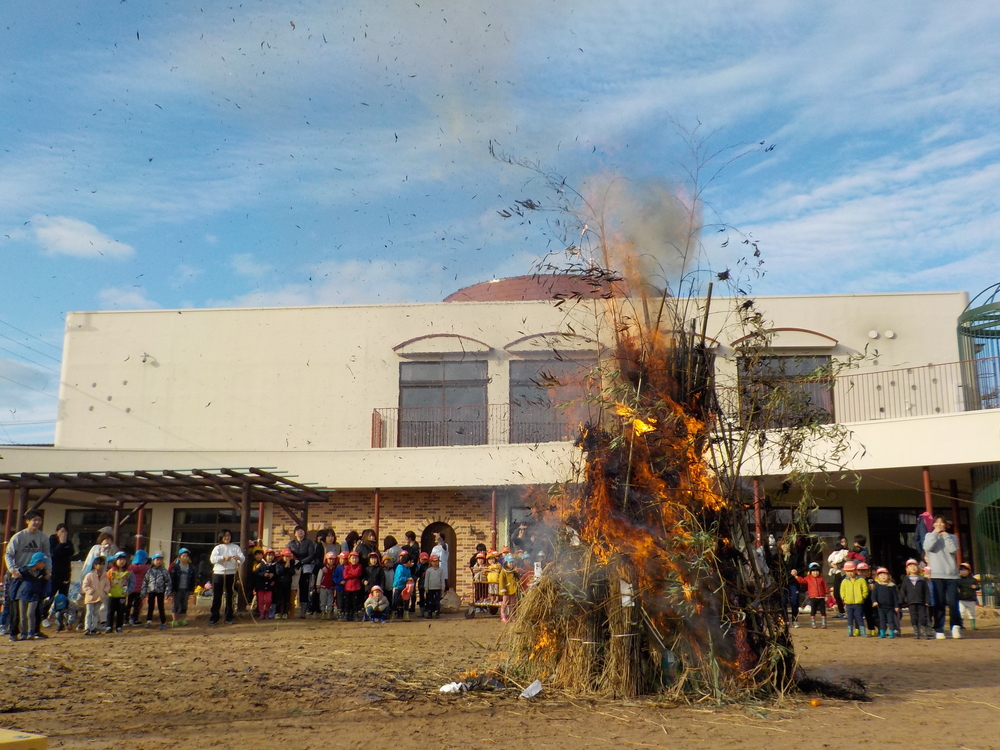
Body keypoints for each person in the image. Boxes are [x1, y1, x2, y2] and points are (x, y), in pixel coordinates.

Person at [3, 510, 51, 640]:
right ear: (27, 521)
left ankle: (35, 631)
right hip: (18, 574)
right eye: (34, 520)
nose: (36, 522)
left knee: (36, 603)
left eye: (39, 520)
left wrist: (48, 570)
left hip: (35, 574)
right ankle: (14, 632)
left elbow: (47, 554)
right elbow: (8, 554)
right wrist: (13, 570)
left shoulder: (43, 537)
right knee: (15, 604)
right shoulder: (19, 537)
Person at [923, 515, 962, 639]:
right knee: (939, 602)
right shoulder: (929, 536)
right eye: (937, 523)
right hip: (936, 574)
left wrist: (945, 536)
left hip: (952, 575)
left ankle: (955, 626)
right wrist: (935, 533)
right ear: (933, 524)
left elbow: (954, 549)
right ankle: (939, 628)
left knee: (953, 602)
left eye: (942, 523)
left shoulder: (952, 537)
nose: (940, 525)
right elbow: (928, 547)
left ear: (946, 525)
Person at [209, 529, 245, 626]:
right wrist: (222, 557)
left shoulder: (235, 547)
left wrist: (239, 558)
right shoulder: (218, 548)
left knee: (230, 595)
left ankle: (229, 616)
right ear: (221, 537)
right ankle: (214, 617)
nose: (227, 537)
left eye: (228, 535)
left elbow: (242, 558)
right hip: (218, 573)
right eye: (224, 536)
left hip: (231, 573)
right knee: (217, 596)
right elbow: (212, 559)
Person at [12, 551, 51, 640]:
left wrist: (45, 594)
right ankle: (23, 633)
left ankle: (31, 632)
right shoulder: (24, 570)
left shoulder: (42, 573)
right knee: (22, 615)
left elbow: (46, 583)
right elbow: (16, 580)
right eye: (43, 562)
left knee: (30, 614)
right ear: (37, 562)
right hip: (23, 595)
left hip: (35, 595)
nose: (44, 565)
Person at [288, 526, 318, 619]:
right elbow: (287, 553)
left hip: (306, 566)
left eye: (302, 530)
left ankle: (303, 612)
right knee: (293, 587)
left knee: (304, 588)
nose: (300, 532)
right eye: (298, 531)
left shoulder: (309, 542)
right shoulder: (291, 543)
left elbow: (311, 555)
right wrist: (294, 561)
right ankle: (290, 610)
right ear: (295, 533)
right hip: (294, 567)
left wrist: (302, 562)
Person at [898, 558, 931, 639]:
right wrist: (900, 602)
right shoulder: (906, 579)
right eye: (910, 566)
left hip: (921, 601)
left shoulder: (922, 579)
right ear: (907, 569)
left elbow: (926, 591)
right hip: (911, 601)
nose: (913, 568)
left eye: (915, 566)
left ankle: (925, 631)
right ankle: (916, 632)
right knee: (914, 617)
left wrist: (927, 600)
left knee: (923, 617)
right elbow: (903, 591)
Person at [140, 552, 171, 629]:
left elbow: (168, 581)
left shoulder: (164, 571)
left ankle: (163, 622)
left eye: (160, 560)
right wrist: (143, 592)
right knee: (150, 606)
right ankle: (149, 621)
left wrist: (168, 591)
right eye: (157, 560)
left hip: (160, 591)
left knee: (161, 607)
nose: (159, 561)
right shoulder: (149, 571)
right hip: (151, 590)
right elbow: (145, 581)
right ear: (153, 561)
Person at [792, 562, 828, 629]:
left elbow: (825, 586)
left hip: (821, 597)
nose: (815, 573)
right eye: (813, 571)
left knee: (823, 611)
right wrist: (796, 577)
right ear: (810, 572)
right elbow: (802, 581)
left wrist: (826, 595)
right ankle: (813, 623)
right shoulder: (808, 578)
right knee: (813, 611)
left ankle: (824, 623)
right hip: (813, 597)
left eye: (817, 571)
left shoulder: (821, 578)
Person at [81, 556, 110, 635]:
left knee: (96, 613)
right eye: (100, 564)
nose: (102, 566)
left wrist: (105, 592)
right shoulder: (89, 575)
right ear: (95, 565)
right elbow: (85, 585)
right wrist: (91, 591)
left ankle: (94, 628)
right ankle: (87, 628)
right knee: (89, 613)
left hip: (99, 597)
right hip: (90, 598)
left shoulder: (105, 575)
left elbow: (108, 584)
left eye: (103, 564)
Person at [106, 552, 134, 634]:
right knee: (110, 611)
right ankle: (109, 626)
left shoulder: (129, 572)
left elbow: (132, 582)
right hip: (111, 595)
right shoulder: (111, 572)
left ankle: (119, 626)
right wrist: (107, 590)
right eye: (120, 559)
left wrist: (129, 590)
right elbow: (107, 581)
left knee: (120, 611)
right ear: (115, 560)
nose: (122, 561)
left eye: (124, 559)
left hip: (122, 595)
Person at [840, 561, 868, 637]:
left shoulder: (861, 580)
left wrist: (862, 597)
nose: (850, 573)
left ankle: (862, 632)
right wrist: (844, 598)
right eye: (847, 571)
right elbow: (842, 591)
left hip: (858, 603)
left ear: (855, 570)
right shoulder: (844, 581)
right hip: (849, 603)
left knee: (859, 617)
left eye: (851, 571)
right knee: (850, 618)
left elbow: (865, 590)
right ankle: (850, 631)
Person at [871, 567, 900, 638]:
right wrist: (874, 602)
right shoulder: (877, 586)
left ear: (888, 576)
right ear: (878, 577)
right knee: (882, 620)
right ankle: (882, 633)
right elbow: (873, 595)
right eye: (881, 575)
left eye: (885, 575)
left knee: (891, 620)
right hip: (880, 607)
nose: (883, 577)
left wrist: (896, 606)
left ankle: (892, 632)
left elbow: (895, 597)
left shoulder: (892, 586)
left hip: (890, 607)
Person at [169, 548, 195, 627]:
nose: (185, 558)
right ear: (179, 557)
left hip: (186, 589)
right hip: (177, 589)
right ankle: (174, 620)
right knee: (175, 604)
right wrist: (172, 589)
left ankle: (183, 620)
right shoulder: (176, 568)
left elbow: (193, 579)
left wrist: (191, 589)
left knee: (184, 604)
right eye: (183, 556)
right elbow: (172, 579)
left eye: (187, 556)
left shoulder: (191, 568)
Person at [48, 523, 75, 597]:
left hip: (65, 573)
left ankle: (61, 608)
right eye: (62, 531)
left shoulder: (68, 542)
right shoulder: (52, 539)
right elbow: (54, 553)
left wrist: (64, 543)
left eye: (66, 532)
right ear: (57, 532)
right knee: (50, 595)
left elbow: (71, 552)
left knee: (63, 596)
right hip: (54, 573)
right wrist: (61, 543)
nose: (64, 534)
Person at [127, 549, 150, 626]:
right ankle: (134, 619)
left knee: (128, 604)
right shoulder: (145, 568)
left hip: (130, 589)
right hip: (139, 589)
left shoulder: (130, 567)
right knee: (137, 605)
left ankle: (126, 619)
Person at [253, 548, 278, 620]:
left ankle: (267, 612)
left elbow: (277, 574)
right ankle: (261, 614)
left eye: (272, 555)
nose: (270, 557)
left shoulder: (275, 565)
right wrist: (263, 574)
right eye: (269, 555)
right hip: (261, 586)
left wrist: (273, 576)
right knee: (260, 600)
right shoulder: (261, 564)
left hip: (270, 586)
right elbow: (256, 573)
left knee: (268, 600)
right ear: (265, 556)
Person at [827, 537, 849, 619]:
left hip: (844, 573)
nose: (843, 543)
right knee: (836, 593)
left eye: (844, 541)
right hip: (837, 573)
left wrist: (839, 566)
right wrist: (832, 565)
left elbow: (848, 561)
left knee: (845, 593)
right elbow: (830, 562)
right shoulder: (834, 552)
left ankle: (847, 612)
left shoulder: (848, 551)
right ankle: (841, 611)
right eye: (841, 542)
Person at [341, 551, 364, 622]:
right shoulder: (347, 566)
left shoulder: (359, 566)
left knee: (355, 602)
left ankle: (355, 614)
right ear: (349, 559)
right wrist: (353, 574)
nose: (355, 560)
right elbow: (345, 576)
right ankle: (347, 614)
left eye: (356, 558)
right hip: (348, 587)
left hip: (356, 587)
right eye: (353, 558)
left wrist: (350, 573)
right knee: (347, 602)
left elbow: (357, 573)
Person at [957, 562, 979, 631]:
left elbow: (978, 587)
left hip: (971, 599)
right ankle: (961, 625)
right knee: (961, 612)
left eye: (964, 570)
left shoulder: (973, 580)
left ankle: (973, 625)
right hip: (962, 599)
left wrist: (975, 587)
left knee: (971, 613)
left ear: (969, 571)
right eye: (961, 570)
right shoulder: (959, 579)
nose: (962, 571)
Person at [392, 549, 413, 621]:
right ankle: (393, 615)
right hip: (398, 586)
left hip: (405, 587)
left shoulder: (408, 568)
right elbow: (399, 578)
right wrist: (407, 579)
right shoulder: (400, 568)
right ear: (408, 561)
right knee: (396, 601)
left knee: (406, 601)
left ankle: (406, 615)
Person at [274, 549, 295, 619]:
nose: (287, 558)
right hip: (280, 583)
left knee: (287, 599)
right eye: (286, 556)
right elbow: (278, 572)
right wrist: (285, 567)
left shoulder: (292, 564)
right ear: (282, 556)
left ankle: (285, 613)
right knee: (279, 599)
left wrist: (289, 567)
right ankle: (277, 612)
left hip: (288, 583)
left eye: (288, 557)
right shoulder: (279, 563)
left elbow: (292, 572)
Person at [857, 562, 877, 636]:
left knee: (869, 615)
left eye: (865, 571)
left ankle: (871, 629)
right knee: (858, 616)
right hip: (858, 600)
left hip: (868, 600)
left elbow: (873, 588)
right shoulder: (855, 580)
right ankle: (857, 629)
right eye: (861, 571)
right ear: (857, 572)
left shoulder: (870, 580)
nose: (863, 573)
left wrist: (872, 587)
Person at [498, 554, 519, 623]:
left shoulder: (513, 571)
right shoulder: (503, 572)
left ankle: (511, 615)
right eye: (510, 562)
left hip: (513, 589)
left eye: (512, 562)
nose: (511, 564)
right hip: (506, 590)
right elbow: (501, 581)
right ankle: (503, 615)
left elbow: (516, 578)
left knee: (513, 603)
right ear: (506, 563)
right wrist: (502, 588)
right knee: (505, 603)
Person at [317, 551, 338, 619]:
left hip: (331, 588)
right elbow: (319, 577)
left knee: (330, 601)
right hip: (323, 587)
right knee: (323, 601)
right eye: (330, 559)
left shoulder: (335, 569)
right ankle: (323, 613)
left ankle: (329, 613)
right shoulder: (323, 568)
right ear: (326, 559)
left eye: (333, 559)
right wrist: (318, 586)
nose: (331, 561)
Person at [423, 554, 445, 618]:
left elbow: (442, 579)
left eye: (436, 561)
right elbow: (426, 579)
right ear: (430, 562)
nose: (435, 563)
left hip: (438, 588)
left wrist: (443, 587)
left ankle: (437, 613)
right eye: (433, 561)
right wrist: (426, 587)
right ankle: (429, 613)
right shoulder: (429, 570)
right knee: (430, 601)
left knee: (437, 601)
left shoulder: (441, 570)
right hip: (430, 588)